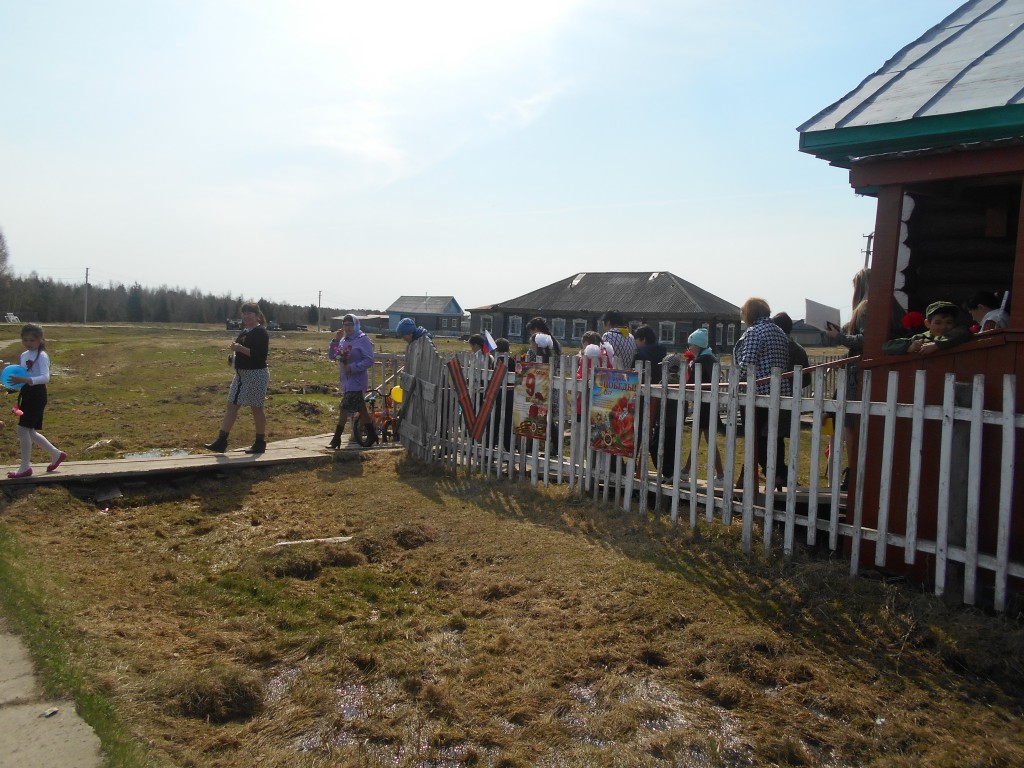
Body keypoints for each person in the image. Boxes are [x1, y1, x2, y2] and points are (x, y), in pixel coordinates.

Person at [734, 297, 790, 488]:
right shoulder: (779, 332)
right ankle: (778, 473)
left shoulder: (754, 332)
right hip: (779, 391)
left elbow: (747, 364)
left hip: (758, 393)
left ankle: (766, 473)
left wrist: (736, 378)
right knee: (775, 437)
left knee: (756, 438)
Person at [205, 301, 270, 454]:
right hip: (241, 375)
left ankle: (260, 443)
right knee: (231, 405)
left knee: (256, 408)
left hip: (256, 374)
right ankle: (221, 441)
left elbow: (260, 356)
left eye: (250, 313)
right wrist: (234, 357)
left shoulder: (260, 332)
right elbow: (242, 352)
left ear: (257, 315)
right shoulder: (245, 331)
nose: (246, 316)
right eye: (244, 313)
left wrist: (240, 348)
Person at [5, 323, 66, 478]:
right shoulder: (24, 355)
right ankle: (56, 454)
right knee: (29, 431)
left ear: (40, 339)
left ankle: (25, 467)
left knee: (22, 429)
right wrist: (12, 386)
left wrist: (25, 380)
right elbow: (23, 375)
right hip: (27, 393)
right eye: (25, 340)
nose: (28, 343)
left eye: (32, 340)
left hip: (37, 395)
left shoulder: (42, 356)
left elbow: (45, 377)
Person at [679, 327, 725, 485]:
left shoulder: (700, 361)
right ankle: (686, 470)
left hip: (703, 404)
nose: (689, 348)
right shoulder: (712, 358)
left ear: (697, 345)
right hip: (709, 403)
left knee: (706, 439)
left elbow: (692, 383)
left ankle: (720, 475)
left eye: (691, 345)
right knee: (702, 438)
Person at [327, 314, 376, 449]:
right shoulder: (343, 340)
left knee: (344, 408)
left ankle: (336, 439)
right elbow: (333, 356)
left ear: (356, 325)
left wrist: (353, 367)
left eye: (350, 325)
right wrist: (335, 341)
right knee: (361, 409)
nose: (347, 328)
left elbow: (369, 360)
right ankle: (372, 435)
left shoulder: (363, 339)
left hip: (357, 380)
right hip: (346, 380)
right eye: (345, 325)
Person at [882, 301, 971, 355]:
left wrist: (936, 345)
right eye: (938, 323)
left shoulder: (959, 333)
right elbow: (887, 346)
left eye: (949, 323)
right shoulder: (921, 338)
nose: (943, 327)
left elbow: (963, 332)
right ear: (927, 323)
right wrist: (909, 347)